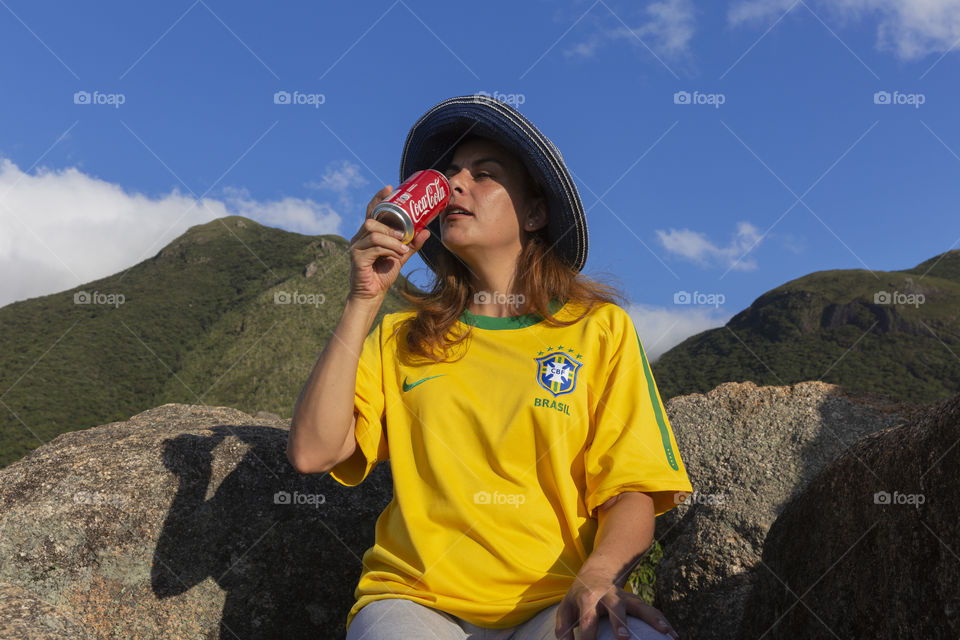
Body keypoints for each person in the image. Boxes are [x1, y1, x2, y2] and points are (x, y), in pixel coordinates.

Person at [287, 94, 693, 640]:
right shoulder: (399, 337)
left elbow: (631, 491)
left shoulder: (599, 329)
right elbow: (313, 452)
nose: (456, 184)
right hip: (416, 602)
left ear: (534, 212)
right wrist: (363, 299)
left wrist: (598, 575)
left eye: (484, 174)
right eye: (449, 174)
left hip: (553, 601)